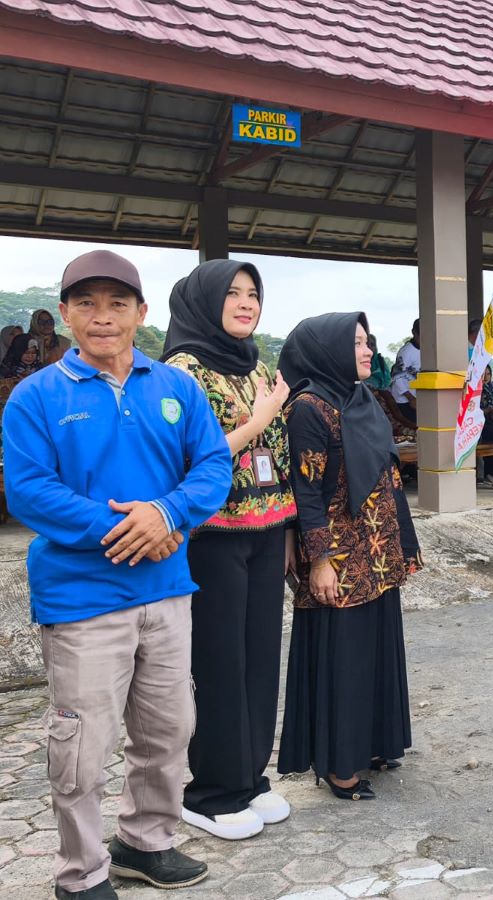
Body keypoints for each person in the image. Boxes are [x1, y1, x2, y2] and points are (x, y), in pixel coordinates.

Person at [2, 250, 231, 899]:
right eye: (87, 303)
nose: (102, 317)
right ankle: (81, 872)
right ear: (65, 313)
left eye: (117, 303)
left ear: (141, 312)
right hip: (81, 598)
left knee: (168, 729)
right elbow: (28, 490)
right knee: (82, 745)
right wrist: (130, 528)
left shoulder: (176, 387)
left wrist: (168, 513)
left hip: (167, 589)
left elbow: (213, 464)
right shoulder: (36, 396)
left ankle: (146, 841)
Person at [161, 260, 297, 841]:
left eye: (253, 294)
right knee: (219, 662)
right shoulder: (180, 371)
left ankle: (249, 777)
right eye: (233, 293)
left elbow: (279, 452)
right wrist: (258, 419)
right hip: (211, 537)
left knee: (261, 657)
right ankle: (211, 791)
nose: (246, 304)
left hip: (266, 531)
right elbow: (188, 456)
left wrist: (286, 530)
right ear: (205, 301)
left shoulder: (257, 364)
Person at [277, 312, 422, 800]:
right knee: (345, 659)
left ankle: (375, 744)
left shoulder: (363, 399)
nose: (367, 351)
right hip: (339, 558)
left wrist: (403, 544)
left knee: (376, 651)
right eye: (356, 343)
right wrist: (319, 561)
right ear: (328, 350)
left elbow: (387, 475)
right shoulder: (309, 408)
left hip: (377, 551)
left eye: (367, 341)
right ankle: (341, 765)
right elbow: (306, 491)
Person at [389, 318, 421, 424]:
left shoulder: (427, 350)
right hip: (404, 400)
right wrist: (411, 398)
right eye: (421, 336)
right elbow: (397, 377)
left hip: (418, 397)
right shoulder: (406, 352)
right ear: (414, 333)